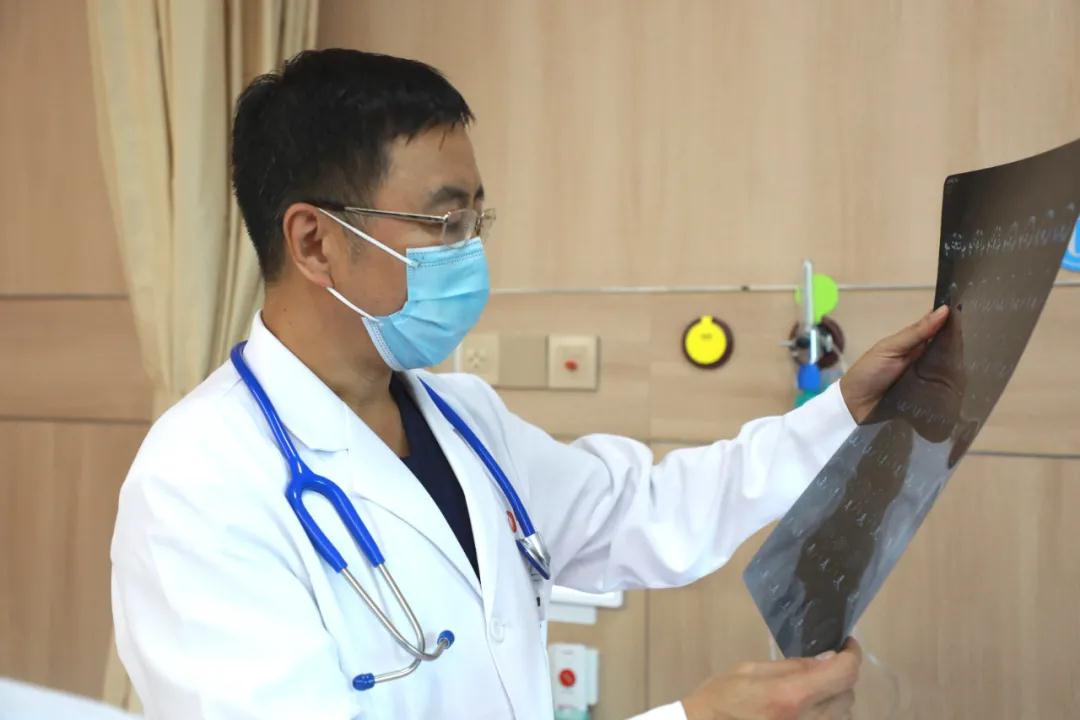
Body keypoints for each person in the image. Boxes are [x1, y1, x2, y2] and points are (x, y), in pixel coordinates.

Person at [110, 49, 948, 720]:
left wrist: (841, 413)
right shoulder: (198, 487)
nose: (472, 250)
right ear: (314, 242)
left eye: (477, 218)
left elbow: (645, 512)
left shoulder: (462, 420)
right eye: (445, 222)